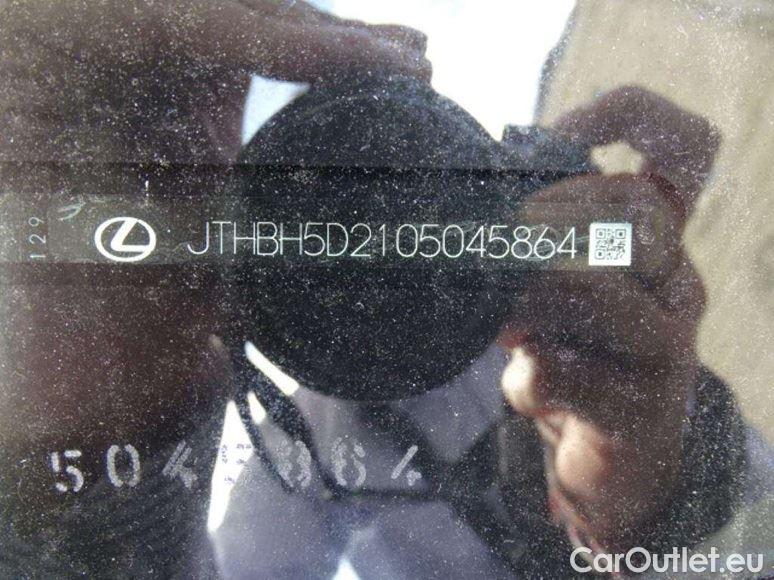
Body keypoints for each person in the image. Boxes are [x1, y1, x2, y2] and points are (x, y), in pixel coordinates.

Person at [0, 1, 768, 577]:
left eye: (391, 190)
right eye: (321, 210)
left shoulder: (583, 335)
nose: (370, 242)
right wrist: (88, 417)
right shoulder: (312, 450)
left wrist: (663, 498)